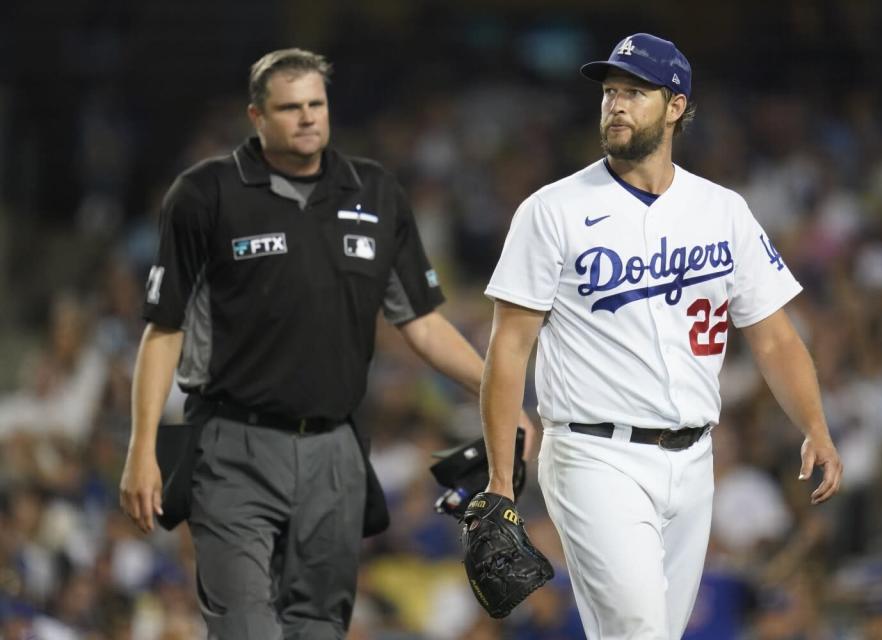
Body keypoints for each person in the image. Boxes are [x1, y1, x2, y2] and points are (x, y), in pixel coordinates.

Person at [118, 48, 532, 639]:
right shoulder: (205, 195)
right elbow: (164, 329)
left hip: (335, 450)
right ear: (257, 116)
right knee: (244, 627)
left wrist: (503, 397)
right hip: (233, 445)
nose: (308, 117)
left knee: (319, 626)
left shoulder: (375, 192)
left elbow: (422, 323)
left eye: (317, 103)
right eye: (290, 107)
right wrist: (141, 447)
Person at [479, 33, 843, 639]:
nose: (615, 104)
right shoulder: (552, 210)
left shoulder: (722, 210)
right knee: (639, 631)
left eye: (634, 92)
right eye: (610, 92)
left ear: (675, 106)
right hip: (594, 454)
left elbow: (775, 337)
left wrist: (816, 426)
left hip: (695, 459)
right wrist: (498, 479)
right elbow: (509, 347)